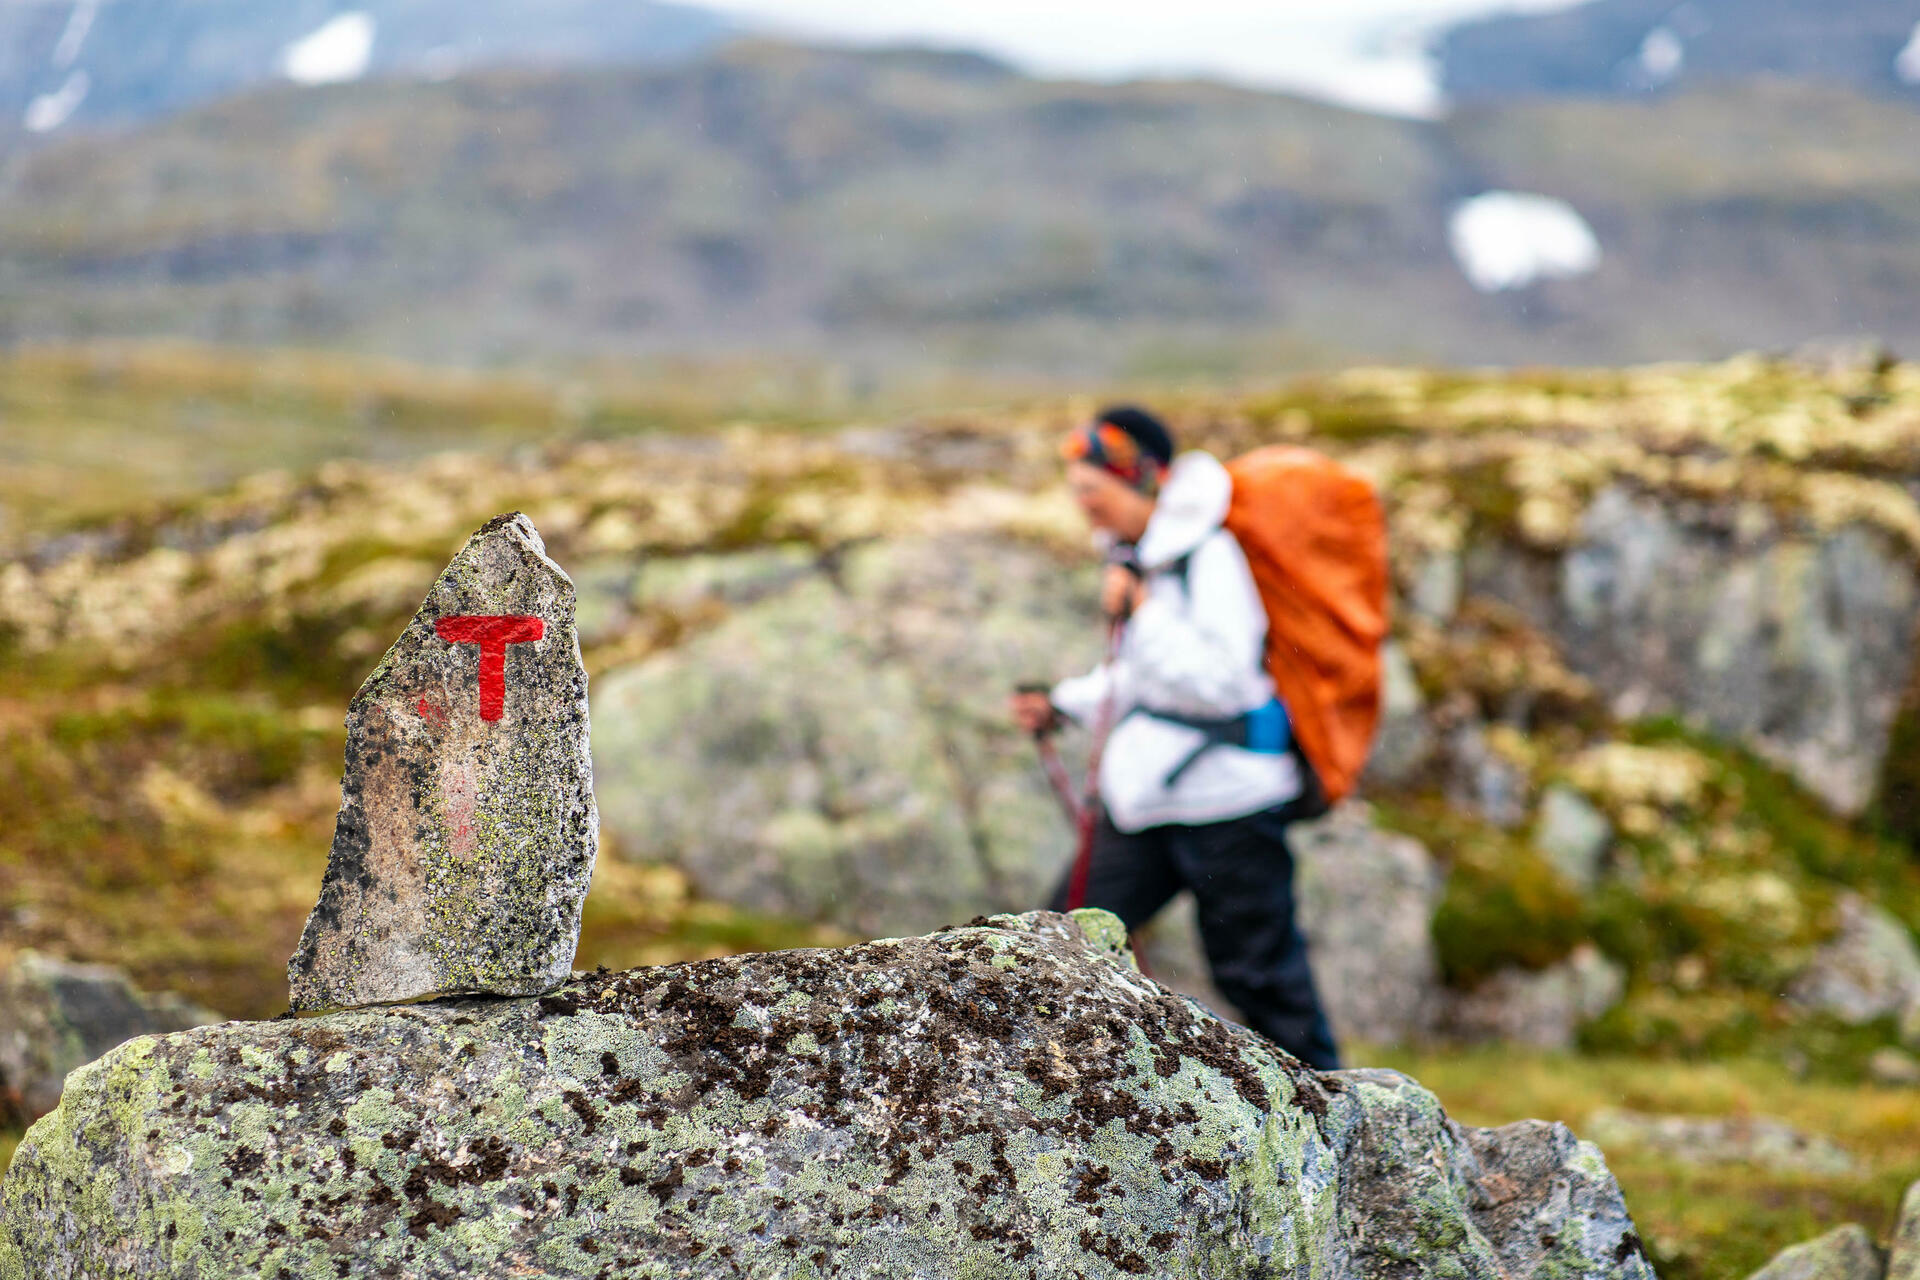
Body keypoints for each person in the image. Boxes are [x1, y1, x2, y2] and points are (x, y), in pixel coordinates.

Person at [1010, 405, 1341, 1070]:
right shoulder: (1145, 558)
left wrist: (1141, 611)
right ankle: (1041, 1092)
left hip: (1229, 805)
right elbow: (1143, 679)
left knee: (1259, 976)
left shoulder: (1209, 556)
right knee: (1058, 943)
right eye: (1077, 493)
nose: (1085, 509)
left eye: (1094, 493)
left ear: (1143, 483)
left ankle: (1342, 1119)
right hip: (1149, 800)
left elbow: (1224, 681)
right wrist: (1063, 705)